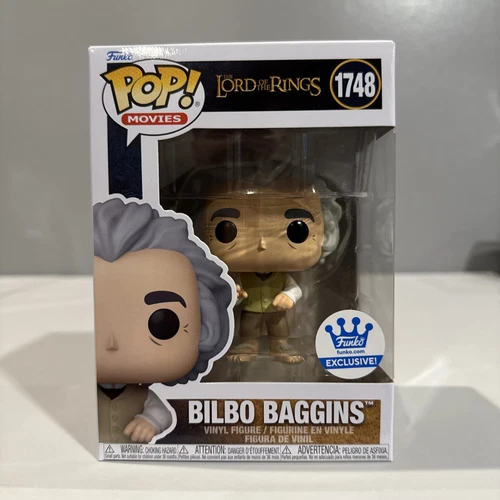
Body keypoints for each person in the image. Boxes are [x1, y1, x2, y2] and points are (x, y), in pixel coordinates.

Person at [93, 198, 233, 443]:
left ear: (204, 325)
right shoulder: (81, 393)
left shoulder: (142, 395)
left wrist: (151, 421)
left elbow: (162, 414)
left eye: (163, 323)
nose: (112, 342)